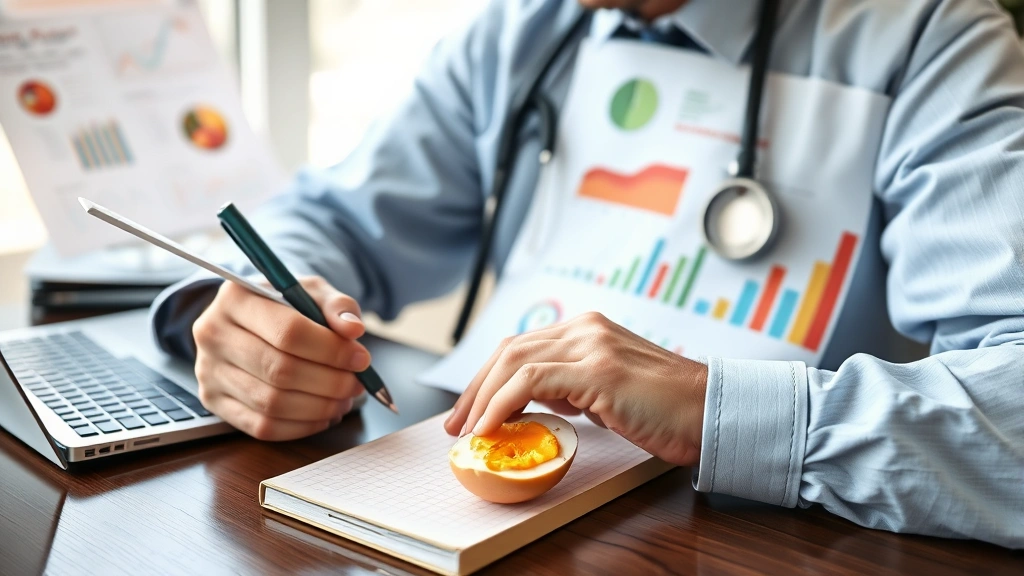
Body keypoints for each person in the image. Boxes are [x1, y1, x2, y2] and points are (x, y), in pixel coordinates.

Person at [151, 0, 1024, 549]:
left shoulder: (934, 38)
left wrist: (717, 405)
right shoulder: (523, 28)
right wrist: (260, 315)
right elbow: (329, 221)